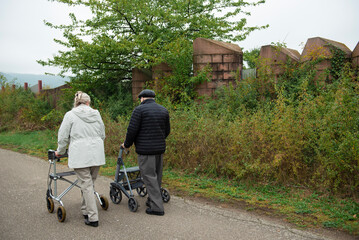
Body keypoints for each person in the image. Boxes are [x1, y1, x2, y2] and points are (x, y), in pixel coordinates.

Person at [55, 91, 106, 227]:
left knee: (86, 184)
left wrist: (59, 151)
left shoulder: (70, 115)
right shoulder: (96, 114)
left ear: (76, 102)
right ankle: (85, 210)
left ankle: (93, 217)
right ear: (88, 102)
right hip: (97, 153)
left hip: (80, 154)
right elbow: (102, 134)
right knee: (89, 184)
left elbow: (63, 136)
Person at [122, 89, 170, 216]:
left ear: (142, 98)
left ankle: (157, 207)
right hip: (159, 149)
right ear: (153, 98)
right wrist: (158, 140)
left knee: (149, 177)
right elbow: (167, 131)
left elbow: (132, 130)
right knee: (157, 176)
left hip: (145, 150)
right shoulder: (163, 110)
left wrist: (126, 144)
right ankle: (152, 199)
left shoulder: (139, 110)